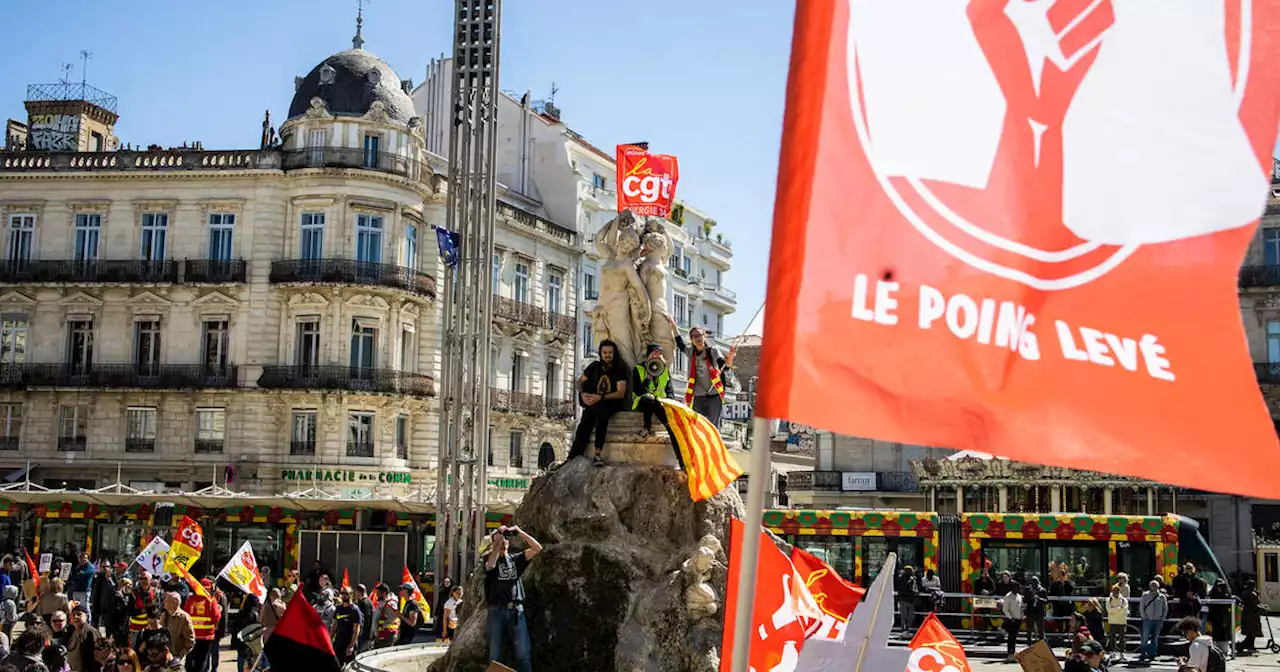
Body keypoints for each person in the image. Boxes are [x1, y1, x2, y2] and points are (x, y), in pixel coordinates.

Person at [485, 525, 541, 672]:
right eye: (500, 540)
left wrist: (519, 532)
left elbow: (537, 548)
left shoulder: (517, 559)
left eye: (505, 540)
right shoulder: (489, 559)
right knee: (494, 655)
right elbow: (490, 566)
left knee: (523, 653)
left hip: (517, 611)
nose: (504, 542)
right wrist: (497, 543)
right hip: (496, 611)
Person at [566, 340, 629, 466]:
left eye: (610, 352)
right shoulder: (594, 366)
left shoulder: (620, 369)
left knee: (602, 417)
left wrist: (600, 398)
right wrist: (583, 394)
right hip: (594, 401)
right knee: (585, 422)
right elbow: (579, 382)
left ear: (614, 353)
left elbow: (621, 392)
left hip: (611, 402)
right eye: (605, 352)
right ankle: (573, 455)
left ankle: (597, 454)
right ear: (600, 353)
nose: (607, 355)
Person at [668, 315, 736, 427]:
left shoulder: (712, 351)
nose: (697, 338)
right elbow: (680, 343)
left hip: (714, 395)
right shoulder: (691, 352)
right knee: (699, 426)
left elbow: (725, 366)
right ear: (692, 340)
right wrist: (673, 326)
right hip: (699, 396)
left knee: (713, 426)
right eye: (694, 336)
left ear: (704, 337)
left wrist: (731, 357)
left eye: (699, 335)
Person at [629, 344, 687, 468]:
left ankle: (682, 461)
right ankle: (647, 425)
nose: (658, 356)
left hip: (660, 403)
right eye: (654, 353)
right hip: (643, 401)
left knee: (673, 428)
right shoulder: (639, 369)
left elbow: (669, 390)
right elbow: (638, 390)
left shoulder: (664, 370)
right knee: (648, 399)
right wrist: (647, 380)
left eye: (659, 353)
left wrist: (670, 403)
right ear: (649, 355)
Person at [180, 582, 219, 672]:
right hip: (206, 637)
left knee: (190, 659)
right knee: (202, 661)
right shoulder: (211, 600)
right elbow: (216, 616)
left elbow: (185, 614)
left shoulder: (190, 600)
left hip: (191, 635)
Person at [1138, 579, 1168, 663]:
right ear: (1149, 586)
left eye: (1155, 585)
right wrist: (1144, 617)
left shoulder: (1162, 596)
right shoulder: (1145, 595)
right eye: (1152, 585)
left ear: (1158, 586)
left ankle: (1152, 654)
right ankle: (1143, 653)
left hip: (1158, 620)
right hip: (1147, 620)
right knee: (1145, 637)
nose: (1153, 587)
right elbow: (1141, 607)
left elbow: (1165, 608)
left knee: (1155, 638)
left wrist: (1162, 618)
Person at [159, 594, 193, 667]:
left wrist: (179, 656)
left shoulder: (184, 618)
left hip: (176, 658)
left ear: (175, 602)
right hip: (163, 657)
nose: (164, 602)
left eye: (167, 601)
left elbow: (190, 641)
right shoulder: (164, 615)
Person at [331, 588, 362, 665]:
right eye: (342, 593)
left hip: (348, 643)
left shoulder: (355, 610)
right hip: (338, 643)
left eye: (346, 594)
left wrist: (351, 646)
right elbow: (334, 626)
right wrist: (329, 638)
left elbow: (356, 630)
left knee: (349, 666)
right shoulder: (338, 608)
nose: (344, 596)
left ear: (351, 595)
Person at [228, 595, 258, 672]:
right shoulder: (254, 615)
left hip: (241, 643)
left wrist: (234, 643)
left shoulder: (239, 614)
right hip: (251, 644)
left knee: (241, 659)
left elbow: (234, 630)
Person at [67, 605, 100, 672]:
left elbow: (96, 654)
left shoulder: (91, 632)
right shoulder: (69, 631)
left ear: (86, 616)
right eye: (73, 615)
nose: (76, 617)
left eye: (79, 614)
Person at [1205, 579, 1232, 657]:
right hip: (1215, 617)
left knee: (1224, 635)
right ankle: (1216, 651)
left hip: (1224, 618)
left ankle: (1224, 651)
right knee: (1216, 634)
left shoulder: (1226, 594)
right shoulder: (1213, 594)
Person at [1238, 578, 1263, 654]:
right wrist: (1261, 608)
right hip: (1252, 616)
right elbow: (1254, 605)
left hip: (1246, 615)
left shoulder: (1245, 592)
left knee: (1250, 633)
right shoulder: (1252, 594)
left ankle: (1249, 646)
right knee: (1252, 632)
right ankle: (1246, 646)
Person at [1001, 582, 1024, 663]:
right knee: (1011, 637)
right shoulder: (1008, 597)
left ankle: (1013, 653)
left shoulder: (1019, 596)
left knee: (1014, 638)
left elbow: (1021, 607)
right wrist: (1011, 618)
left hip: (1018, 619)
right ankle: (1009, 653)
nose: (1019, 589)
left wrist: (1022, 616)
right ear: (1013, 588)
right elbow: (1005, 609)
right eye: (1018, 588)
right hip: (1012, 620)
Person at [372, 584, 399, 649]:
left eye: (378, 593)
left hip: (387, 636)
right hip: (381, 635)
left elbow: (392, 618)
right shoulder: (382, 603)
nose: (376, 595)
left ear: (384, 593)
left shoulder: (390, 604)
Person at [67, 555, 94, 619]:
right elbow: (75, 576)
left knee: (85, 607)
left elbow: (84, 574)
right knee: (76, 607)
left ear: (88, 559)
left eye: (85, 558)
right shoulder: (78, 567)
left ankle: (88, 621)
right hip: (76, 590)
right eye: (81, 558)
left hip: (84, 590)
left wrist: (80, 573)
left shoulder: (90, 567)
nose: (83, 559)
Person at [1023, 575, 1048, 646]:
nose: (1034, 584)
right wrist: (1030, 597)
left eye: (1035, 583)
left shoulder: (1042, 590)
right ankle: (1029, 644)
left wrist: (1039, 598)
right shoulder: (1028, 590)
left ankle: (1041, 645)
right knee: (1029, 630)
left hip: (1039, 612)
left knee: (1041, 630)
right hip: (1030, 612)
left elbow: (1046, 601)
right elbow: (1025, 600)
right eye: (1032, 583)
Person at [90, 566, 116, 634]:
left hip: (109, 606)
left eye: (107, 566)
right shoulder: (97, 577)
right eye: (103, 566)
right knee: (97, 624)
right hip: (98, 604)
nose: (105, 568)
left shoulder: (113, 579)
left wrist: (110, 580)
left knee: (105, 626)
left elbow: (114, 590)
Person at [1105, 584, 1128, 662]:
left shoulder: (1124, 600)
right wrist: (1119, 608)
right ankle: (1113, 652)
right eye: (1115, 590)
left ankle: (1122, 654)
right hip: (1112, 621)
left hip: (1122, 621)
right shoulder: (1109, 600)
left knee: (1122, 638)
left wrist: (1114, 609)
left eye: (1117, 590)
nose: (1116, 592)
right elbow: (1109, 610)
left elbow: (1125, 610)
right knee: (1112, 638)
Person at [896, 566, 918, 636]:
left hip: (911, 600)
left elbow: (915, 587)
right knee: (904, 616)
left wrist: (916, 591)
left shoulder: (913, 579)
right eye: (910, 571)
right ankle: (904, 630)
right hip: (903, 599)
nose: (912, 572)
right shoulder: (902, 579)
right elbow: (903, 588)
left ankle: (908, 628)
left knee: (911, 616)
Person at [352, 585, 374, 654]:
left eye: (355, 592)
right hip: (363, 634)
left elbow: (365, 620)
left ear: (359, 592)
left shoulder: (365, 603)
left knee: (361, 654)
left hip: (364, 635)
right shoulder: (363, 602)